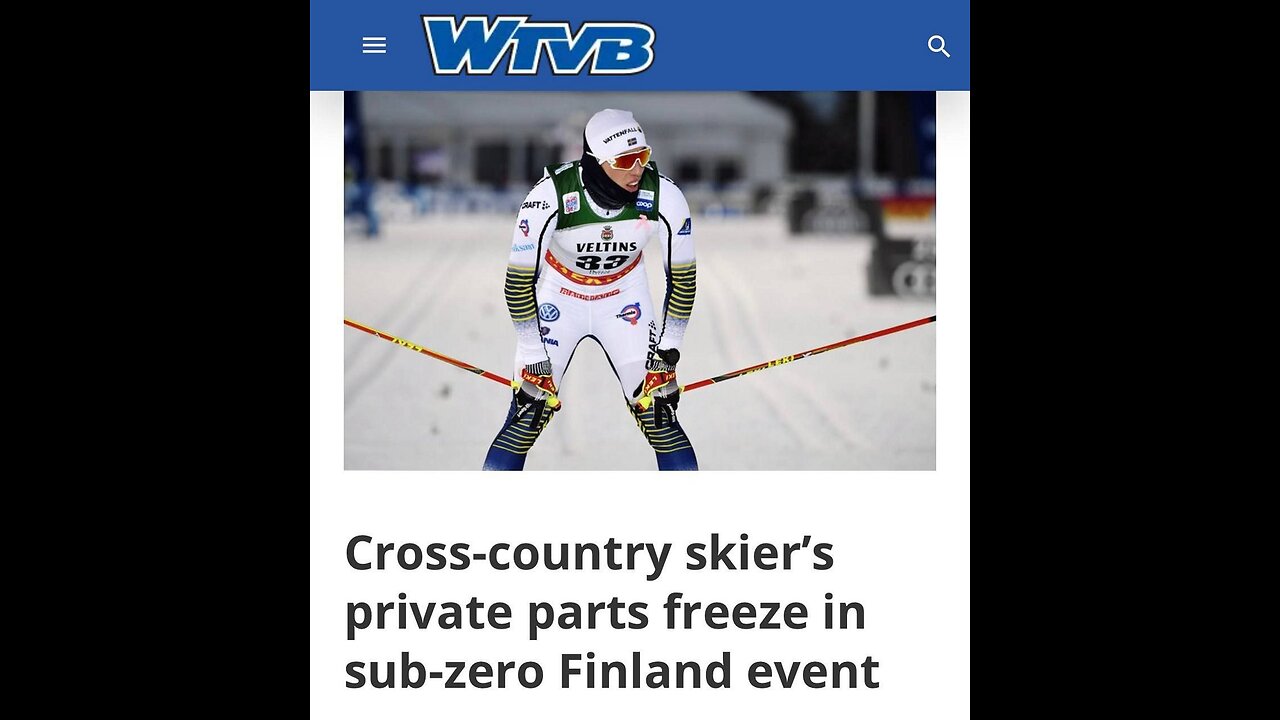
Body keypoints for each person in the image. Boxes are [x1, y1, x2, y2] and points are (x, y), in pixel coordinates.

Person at [483, 109, 698, 471]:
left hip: (623, 298)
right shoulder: (549, 195)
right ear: (596, 162)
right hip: (560, 296)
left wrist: (668, 352)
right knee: (527, 414)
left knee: (659, 414)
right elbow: (518, 282)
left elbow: (683, 279)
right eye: (625, 160)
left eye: (642, 156)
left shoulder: (665, 195)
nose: (636, 170)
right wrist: (534, 354)